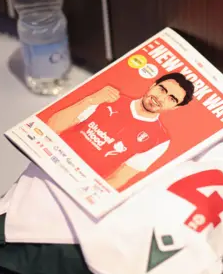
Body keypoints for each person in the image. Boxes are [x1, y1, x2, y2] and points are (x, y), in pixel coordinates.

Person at [47, 73, 194, 189]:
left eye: (171, 99)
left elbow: (119, 178)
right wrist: (90, 100)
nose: (160, 98)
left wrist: (83, 192)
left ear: (175, 108)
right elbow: (53, 126)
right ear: (153, 85)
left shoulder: (160, 140)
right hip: (48, 165)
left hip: (77, 187)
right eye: (162, 89)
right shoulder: (109, 98)